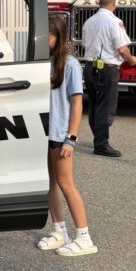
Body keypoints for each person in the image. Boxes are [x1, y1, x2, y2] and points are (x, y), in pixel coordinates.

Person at [36, 14, 97, 257]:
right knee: (50, 183)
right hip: (45, 132)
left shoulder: (69, 64)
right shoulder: (44, 61)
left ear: (58, 36)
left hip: (61, 134)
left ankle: (84, 237)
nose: (42, 40)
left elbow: (77, 104)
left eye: (47, 36)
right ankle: (59, 231)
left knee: (66, 183)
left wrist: (71, 138)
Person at [80, 0, 136, 157]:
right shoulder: (115, 22)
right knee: (106, 106)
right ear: (114, 4)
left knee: (94, 104)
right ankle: (101, 144)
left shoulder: (88, 21)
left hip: (89, 67)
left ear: (99, 3)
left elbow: (86, 43)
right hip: (106, 68)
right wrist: (131, 60)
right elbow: (122, 48)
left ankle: (98, 139)